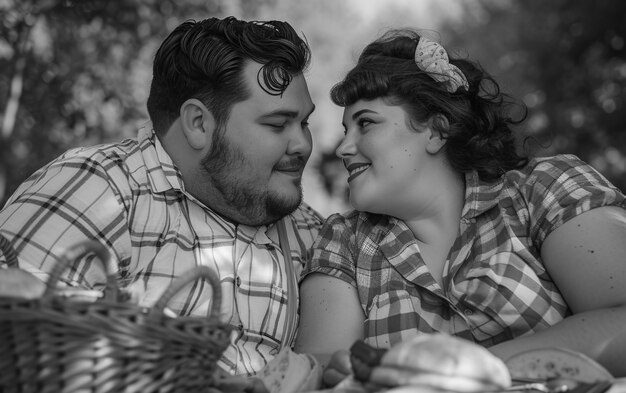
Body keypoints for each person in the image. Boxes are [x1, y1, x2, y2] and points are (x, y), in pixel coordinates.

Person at [295, 28, 626, 384]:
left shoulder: (542, 190)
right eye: (346, 130)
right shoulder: (343, 242)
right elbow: (319, 368)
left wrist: (462, 369)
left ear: (436, 131)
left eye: (365, 124)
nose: (344, 148)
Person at [0, 16, 323, 377]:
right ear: (199, 124)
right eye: (278, 125)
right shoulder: (99, 188)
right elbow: (16, 344)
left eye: (305, 123)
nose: (303, 144)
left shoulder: (313, 234)